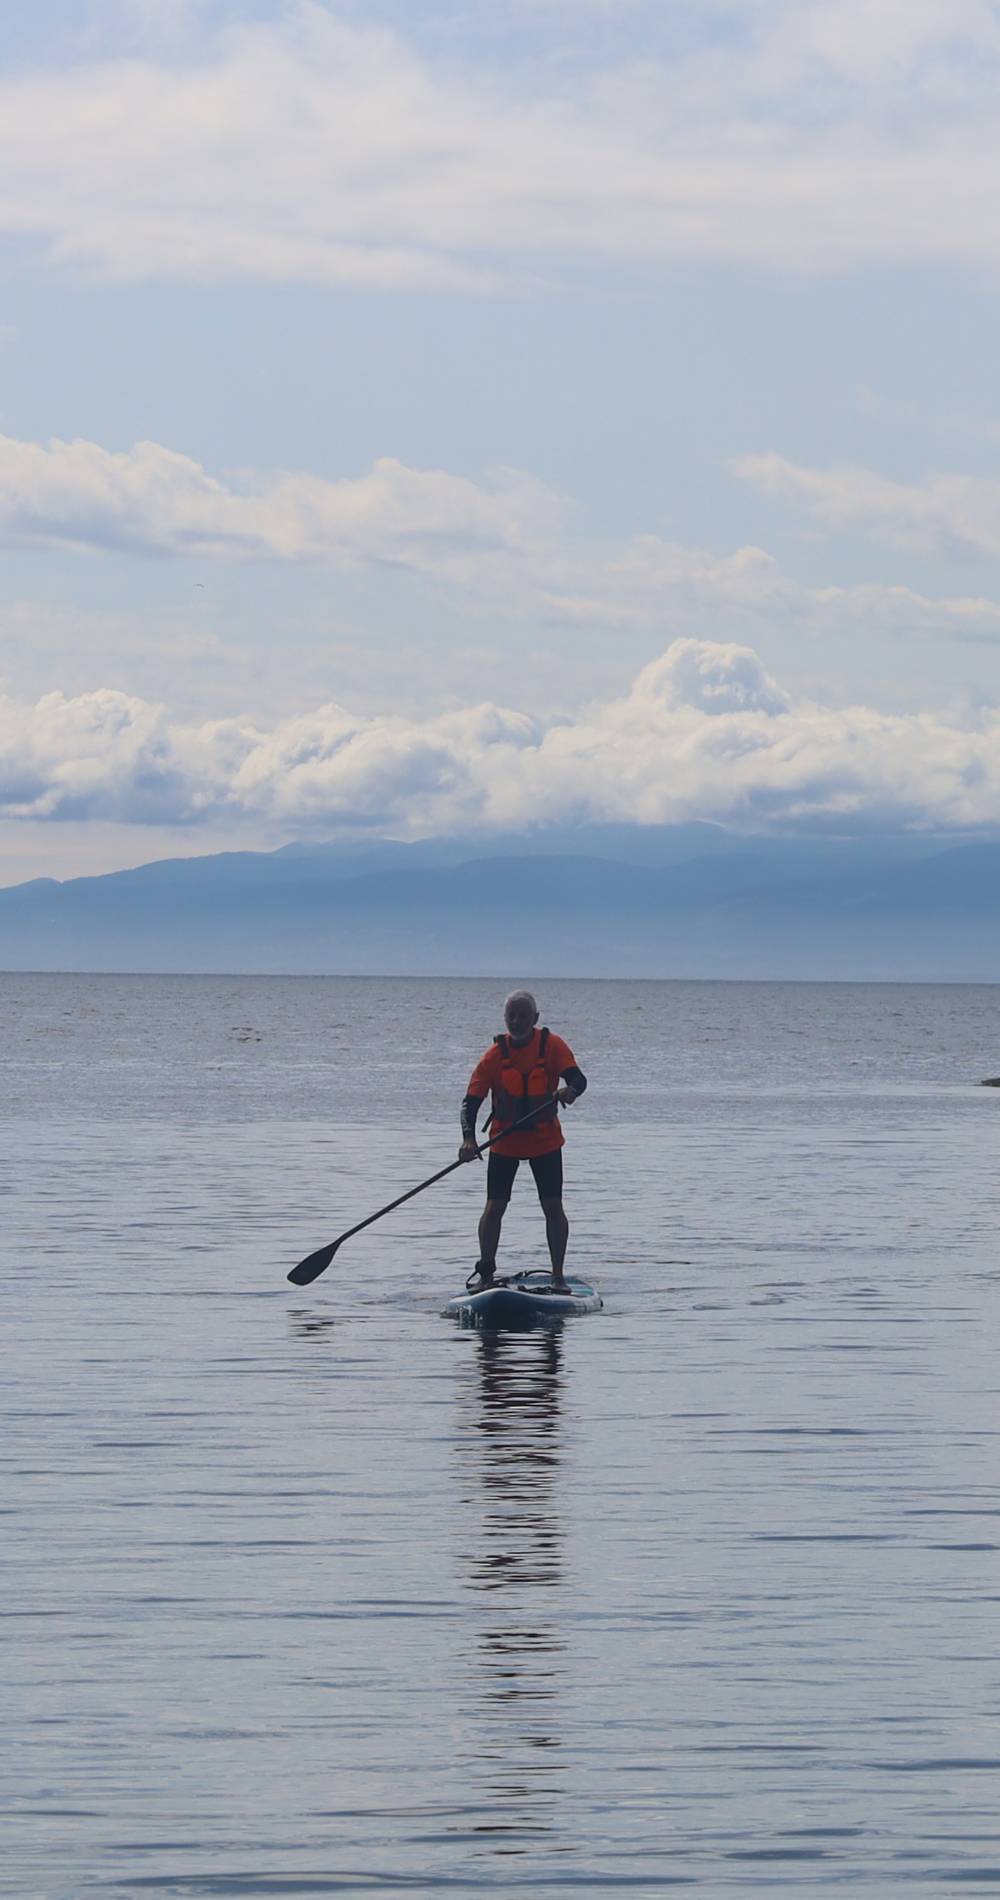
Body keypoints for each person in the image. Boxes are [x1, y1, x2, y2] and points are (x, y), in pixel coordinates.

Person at [458, 990, 588, 1291]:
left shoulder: (552, 1046)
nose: (516, 1022)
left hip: (545, 1141)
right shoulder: (493, 1056)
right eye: (511, 1016)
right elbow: (470, 1103)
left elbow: (579, 1079)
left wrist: (571, 1091)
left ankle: (558, 1276)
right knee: (494, 1207)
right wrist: (468, 1140)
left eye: (523, 1016)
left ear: (535, 1018)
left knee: (553, 1206)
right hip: (505, 1143)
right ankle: (486, 1273)